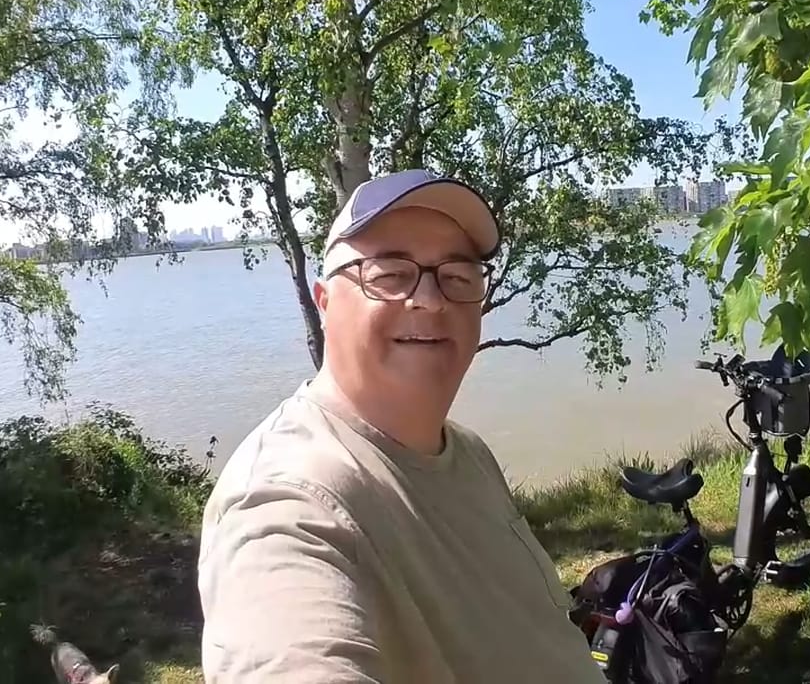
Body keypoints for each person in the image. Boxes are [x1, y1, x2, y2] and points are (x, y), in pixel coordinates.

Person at [197, 169, 605, 682]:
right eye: (389, 274)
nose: (431, 300)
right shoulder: (287, 499)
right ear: (324, 303)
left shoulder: (467, 452)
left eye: (457, 276)